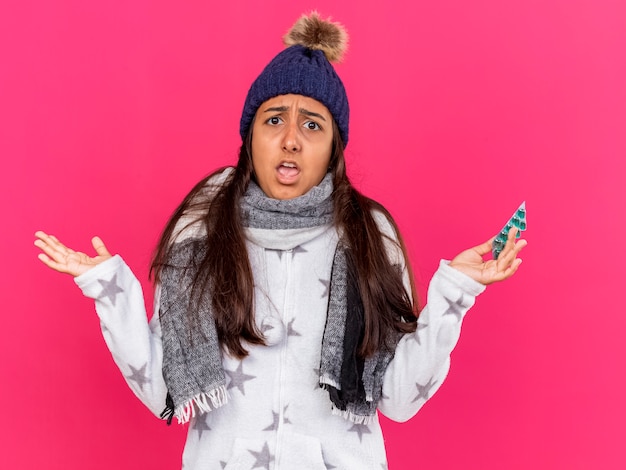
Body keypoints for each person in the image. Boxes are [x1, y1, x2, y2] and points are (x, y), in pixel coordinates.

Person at [34, 12, 526, 470]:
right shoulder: (202, 228)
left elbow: (398, 399)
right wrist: (109, 289)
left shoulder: (369, 233)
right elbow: (164, 383)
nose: (291, 139)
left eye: (312, 124)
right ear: (251, 136)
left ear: (334, 145)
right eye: (274, 120)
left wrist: (455, 295)